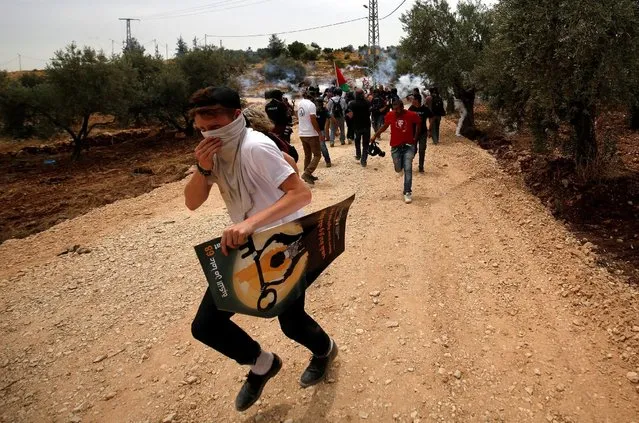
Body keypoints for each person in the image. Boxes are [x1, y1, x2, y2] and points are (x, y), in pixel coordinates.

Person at [185, 87, 338, 413]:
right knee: (206, 325)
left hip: (285, 243)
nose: (209, 131)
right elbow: (192, 202)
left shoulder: (254, 148)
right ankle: (262, 363)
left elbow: (301, 195)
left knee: (291, 323)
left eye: (215, 123)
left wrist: (249, 223)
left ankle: (325, 350)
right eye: (202, 125)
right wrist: (201, 167)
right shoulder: (216, 154)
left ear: (236, 116)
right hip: (246, 247)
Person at [370, 99, 422, 204]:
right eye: (395, 109)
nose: (397, 111)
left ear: (402, 107)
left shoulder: (411, 115)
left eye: (398, 109)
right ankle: (400, 168)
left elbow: (419, 123)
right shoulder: (390, 115)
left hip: (408, 146)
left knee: (408, 168)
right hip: (395, 146)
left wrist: (415, 139)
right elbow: (385, 126)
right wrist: (375, 135)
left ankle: (407, 192)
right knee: (398, 168)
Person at [297, 90, 324, 185]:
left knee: (307, 155)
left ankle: (307, 173)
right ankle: (307, 173)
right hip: (311, 134)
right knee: (317, 155)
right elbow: (313, 119)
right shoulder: (311, 105)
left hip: (302, 132)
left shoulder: (300, 103)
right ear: (313, 96)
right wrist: (319, 133)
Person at [346, 88, 372, 167]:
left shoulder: (351, 103)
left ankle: (358, 155)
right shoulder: (368, 103)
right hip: (366, 125)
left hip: (357, 126)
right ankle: (364, 160)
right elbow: (370, 112)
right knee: (366, 143)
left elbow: (349, 116)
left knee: (357, 141)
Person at [408, 94, 433, 173]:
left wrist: (430, 130)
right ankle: (407, 164)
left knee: (422, 150)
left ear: (417, 100)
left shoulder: (425, 109)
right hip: (413, 133)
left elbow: (431, 118)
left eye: (413, 99)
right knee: (413, 150)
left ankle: (421, 167)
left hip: (423, 132)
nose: (412, 101)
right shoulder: (411, 108)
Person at [314, 96, 332, 168]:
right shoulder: (324, 110)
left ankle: (326, 161)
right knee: (322, 146)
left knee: (318, 146)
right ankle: (327, 161)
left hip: (315, 131)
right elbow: (330, 117)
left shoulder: (314, 110)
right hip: (320, 130)